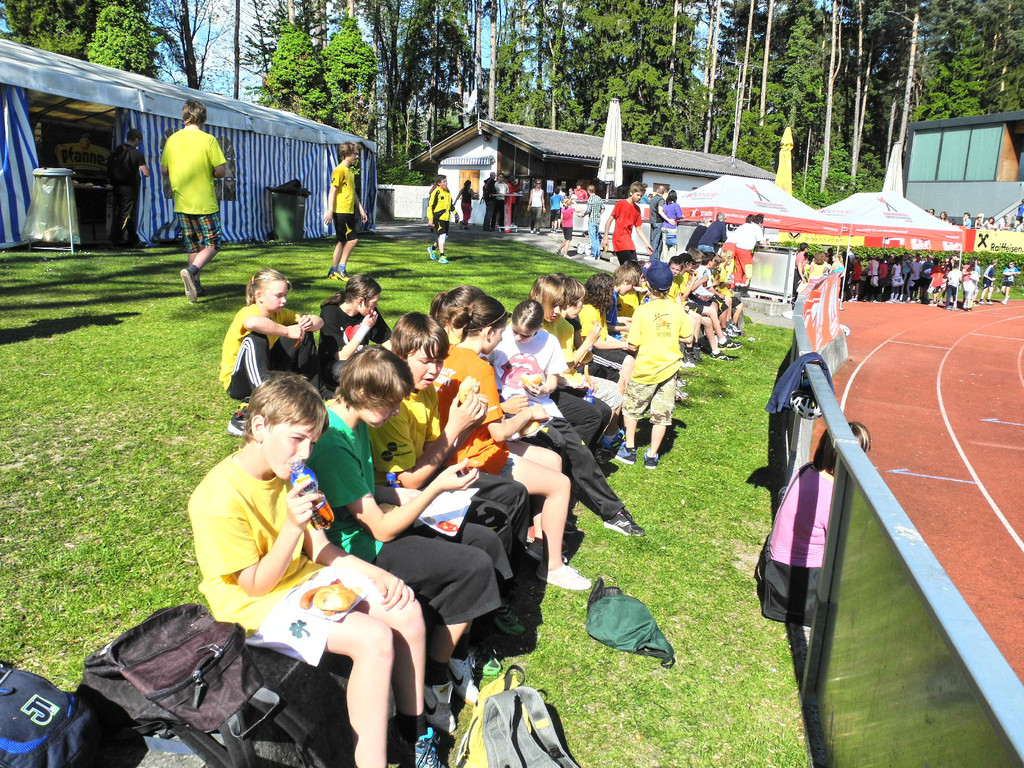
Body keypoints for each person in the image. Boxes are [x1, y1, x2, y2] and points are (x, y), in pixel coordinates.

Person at [187, 374, 438, 768]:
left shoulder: (291, 473)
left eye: (313, 442)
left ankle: (413, 731)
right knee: (373, 638)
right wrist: (291, 527)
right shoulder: (217, 498)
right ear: (259, 426)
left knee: (404, 608)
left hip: (299, 579)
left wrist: (379, 576)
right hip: (251, 606)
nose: (304, 453)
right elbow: (254, 586)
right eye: (296, 438)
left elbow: (319, 548)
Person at [306, 348, 508, 734]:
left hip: (374, 527)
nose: (397, 411)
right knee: (474, 566)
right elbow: (381, 529)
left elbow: (366, 490)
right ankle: (435, 679)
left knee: (484, 541)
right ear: (362, 393)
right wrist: (433, 491)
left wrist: (413, 496)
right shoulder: (333, 442)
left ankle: (457, 654)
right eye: (392, 403)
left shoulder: (354, 420)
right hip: (360, 548)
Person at [430, 291, 593, 589]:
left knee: (552, 459)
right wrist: (529, 412)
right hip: (473, 456)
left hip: (451, 445)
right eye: (502, 332)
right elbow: (500, 433)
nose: (503, 339)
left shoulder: (448, 353)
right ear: (488, 332)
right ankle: (553, 568)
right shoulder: (479, 368)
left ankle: (540, 539)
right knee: (561, 485)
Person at [369, 312, 532, 582]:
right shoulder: (393, 407)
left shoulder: (426, 391)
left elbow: (436, 451)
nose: (434, 370)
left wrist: (470, 423)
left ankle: (513, 575)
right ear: (399, 356)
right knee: (494, 521)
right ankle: (500, 585)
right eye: (425, 361)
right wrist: (455, 427)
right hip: (396, 492)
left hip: (428, 473)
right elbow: (410, 480)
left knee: (514, 492)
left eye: (439, 361)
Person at [757, 422, 871, 626]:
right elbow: (845, 547)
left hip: (775, 564)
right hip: (797, 579)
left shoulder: (806, 469)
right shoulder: (833, 496)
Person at [220, 268, 325, 435]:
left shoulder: (279, 314)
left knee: (303, 332)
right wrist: (287, 331)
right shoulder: (249, 312)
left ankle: (312, 392)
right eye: (279, 296)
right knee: (256, 338)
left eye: (285, 295)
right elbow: (252, 323)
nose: (284, 300)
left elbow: (319, 322)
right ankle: (263, 400)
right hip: (239, 382)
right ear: (259, 296)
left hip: (266, 371)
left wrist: (308, 323)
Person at [615, 260, 694, 469]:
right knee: (662, 415)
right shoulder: (677, 309)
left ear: (648, 285)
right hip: (669, 370)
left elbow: (633, 344)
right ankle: (652, 455)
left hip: (645, 369)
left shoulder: (642, 311)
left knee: (632, 409)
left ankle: (629, 449)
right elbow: (688, 338)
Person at [160, 99, 227, 302]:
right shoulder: (208, 140)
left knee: (193, 246)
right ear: (203, 117)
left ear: (184, 116)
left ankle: (194, 286)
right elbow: (221, 171)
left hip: (182, 200)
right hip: (204, 201)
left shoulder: (172, 140)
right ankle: (192, 270)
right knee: (214, 242)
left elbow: (164, 169)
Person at [319, 275, 391, 395]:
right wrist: (364, 328)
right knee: (341, 368)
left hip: (360, 364)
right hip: (334, 367)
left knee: (385, 358)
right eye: (374, 302)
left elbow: (388, 341)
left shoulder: (369, 311)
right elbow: (342, 356)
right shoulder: (330, 313)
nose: (376, 305)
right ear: (361, 301)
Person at [325, 142, 368, 281]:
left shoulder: (350, 172)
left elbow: (353, 192)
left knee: (342, 241)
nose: (357, 156)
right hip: (341, 211)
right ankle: (341, 268)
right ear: (346, 154)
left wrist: (361, 209)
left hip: (349, 211)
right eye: (355, 154)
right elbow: (332, 190)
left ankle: (333, 271)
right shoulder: (339, 170)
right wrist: (330, 210)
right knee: (352, 239)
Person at [107, 127, 149, 248]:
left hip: (116, 186)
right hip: (129, 188)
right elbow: (146, 172)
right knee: (125, 214)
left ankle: (132, 239)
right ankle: (115, 239)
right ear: (137, 139)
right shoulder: (136, 154)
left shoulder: (117, 151)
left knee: (124, 212)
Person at [602, 182, 652, 264]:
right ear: (631, 193)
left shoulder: (637, 209)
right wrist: (605, 238)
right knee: (629, 267)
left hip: (628, 240)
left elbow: (639, 228)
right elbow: (609, 220)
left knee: (632, 267)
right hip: (619, 240)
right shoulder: (621, 203)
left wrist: (647, 243)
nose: (639, 198)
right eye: (637, 195)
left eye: (641, 196)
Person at [721, 213, 765, 287]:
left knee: (736, 267)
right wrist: (767, 242)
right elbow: (761, 241)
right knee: (747, 267)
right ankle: (744, 284)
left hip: (736, 247)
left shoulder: (744, 226)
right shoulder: (757, 228)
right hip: (743, 249)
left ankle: (735, 283)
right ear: (760, 222)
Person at [427, 176, 454, 265]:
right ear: (439, 183)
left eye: (446, 181)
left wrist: (455, 213)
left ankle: (432, 249)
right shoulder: (436, 192)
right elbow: (431, 206)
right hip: (438, 217)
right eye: (444, 181)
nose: (446, 183)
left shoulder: (447, 192)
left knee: (444, 237)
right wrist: (430, 219)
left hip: (446, 217)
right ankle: (442, 256)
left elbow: (451, 204)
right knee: (442, 235)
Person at [648, 184, 668, 261]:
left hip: (652, 221)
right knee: (656, 242)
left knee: (652, 240)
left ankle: (651, 258)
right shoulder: (661, 200)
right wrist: (668, 219)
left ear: (657, 190)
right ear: (664, 192)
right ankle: (654, 260)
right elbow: (660, 211)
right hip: (658, 221)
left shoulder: (652, 199)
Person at [584, 184, 604, 260]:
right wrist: (598, 214)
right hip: (598, 220)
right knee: (597, 238)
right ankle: (598, 255)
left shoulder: (590, 199)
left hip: (592, 220)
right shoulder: (599, 198)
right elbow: (603, 208)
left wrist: (583, 214)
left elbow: (588, 210)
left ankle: (593, 255)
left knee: (593, 238)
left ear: (588, 191)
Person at [661, 191, 682, 260]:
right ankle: (669, 260)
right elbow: (679, 216)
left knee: (664, 246)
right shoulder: (676, 205)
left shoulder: (665, 205)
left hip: (664, 226)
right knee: (672, 246)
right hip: (672, 227)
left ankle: (663, 260)